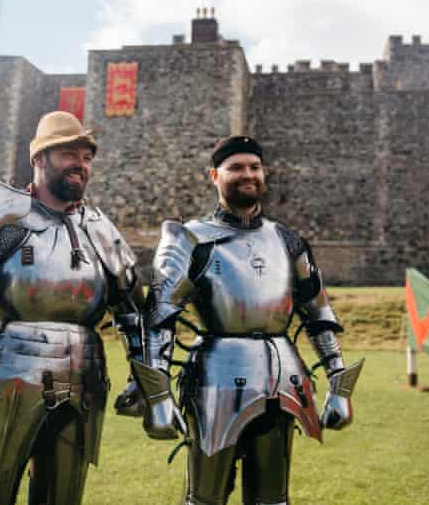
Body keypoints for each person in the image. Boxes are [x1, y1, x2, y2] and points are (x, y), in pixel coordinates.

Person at [0, 111, 145, 505]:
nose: (80, 165)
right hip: (8, 374)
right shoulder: (2, 208)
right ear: (39, 158)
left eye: (87, 157)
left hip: (85, 376)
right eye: (69, 154)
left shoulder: (99, 227)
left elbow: (136, 311)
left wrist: (146, 382)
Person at [132, 135, 363, 505]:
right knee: (205, 498)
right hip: (214, 381)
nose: (248, 175)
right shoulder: (188, 237)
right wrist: (158, 397)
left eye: (254, 167)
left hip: (283, 381)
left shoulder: (287, 240)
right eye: (236, 167)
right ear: (214, 175)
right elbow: (161, 315)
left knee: (273, 500)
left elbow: (318, 312)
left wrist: (339, 384)